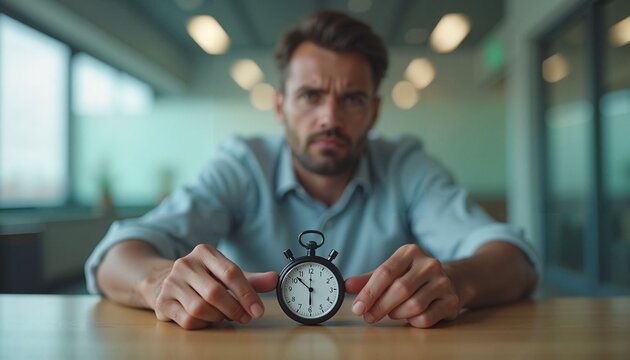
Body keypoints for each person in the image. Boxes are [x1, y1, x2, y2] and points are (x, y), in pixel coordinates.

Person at [85, 10, 539, 330]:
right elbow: (116, 255)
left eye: (352, 99)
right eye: (310, 96)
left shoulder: (405, 165)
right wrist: (157, 281)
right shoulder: (242, 165)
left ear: (375, 111)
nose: (330, 118)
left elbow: (513, 260)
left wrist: (456, 282)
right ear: (281, 106)